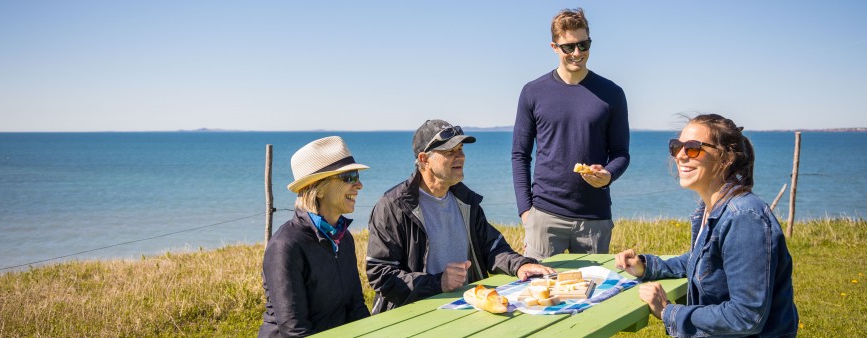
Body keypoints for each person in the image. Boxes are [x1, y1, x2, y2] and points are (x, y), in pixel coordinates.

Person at [615, 114, 798, 337]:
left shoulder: (743, 217)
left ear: (726, 158)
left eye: (693, 148)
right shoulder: (711, 208)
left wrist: (668, 312)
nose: (680, 156)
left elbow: (746, 317)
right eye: (676, 147)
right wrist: (646, 266)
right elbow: (704, 261)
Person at [366, 119, 556, 314]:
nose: (461, 157)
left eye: (461, 149)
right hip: (412, 315)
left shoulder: (466, 201)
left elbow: (492, 248)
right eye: (450, 152)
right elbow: (381, 274)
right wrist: (438, 283)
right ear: (424, 160)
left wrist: (520, 265)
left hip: (465, 310)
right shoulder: (393, 206)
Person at [512, 7, 630, 261]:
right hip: (544, 217)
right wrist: (526, 212)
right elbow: (520, 155)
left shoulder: (613, 93)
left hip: (595, 220)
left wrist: (608, 175)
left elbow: (621, 153)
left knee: (596, 298)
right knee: (536, 296)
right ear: (554, 47)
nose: (577, 53)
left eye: (583, 45)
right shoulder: (533, 92)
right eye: (569, 47)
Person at [259, 136, 370, 337]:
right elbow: (294, 330)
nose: (359, 184)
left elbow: (357, 308)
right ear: (319, 188)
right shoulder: (286, 246)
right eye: (350, 176)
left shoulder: (344, 238)